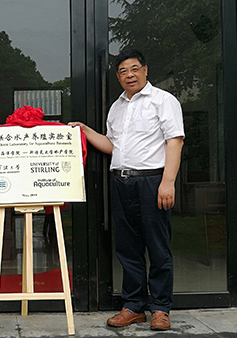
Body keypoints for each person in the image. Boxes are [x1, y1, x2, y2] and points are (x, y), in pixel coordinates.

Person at [69, 49, 184, 331]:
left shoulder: (163, 101)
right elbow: (112, 145)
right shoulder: (117, 106)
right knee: (128, 248)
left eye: (134, 69)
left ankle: (160, 309)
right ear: (118, 76)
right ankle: (133, 306)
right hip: (121, 182)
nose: (129, 75)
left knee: (158, 248)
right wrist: (84, 130)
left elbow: (175, 141)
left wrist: (167, 182)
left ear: (145, 70)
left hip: (152, 181)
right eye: (122, 71)